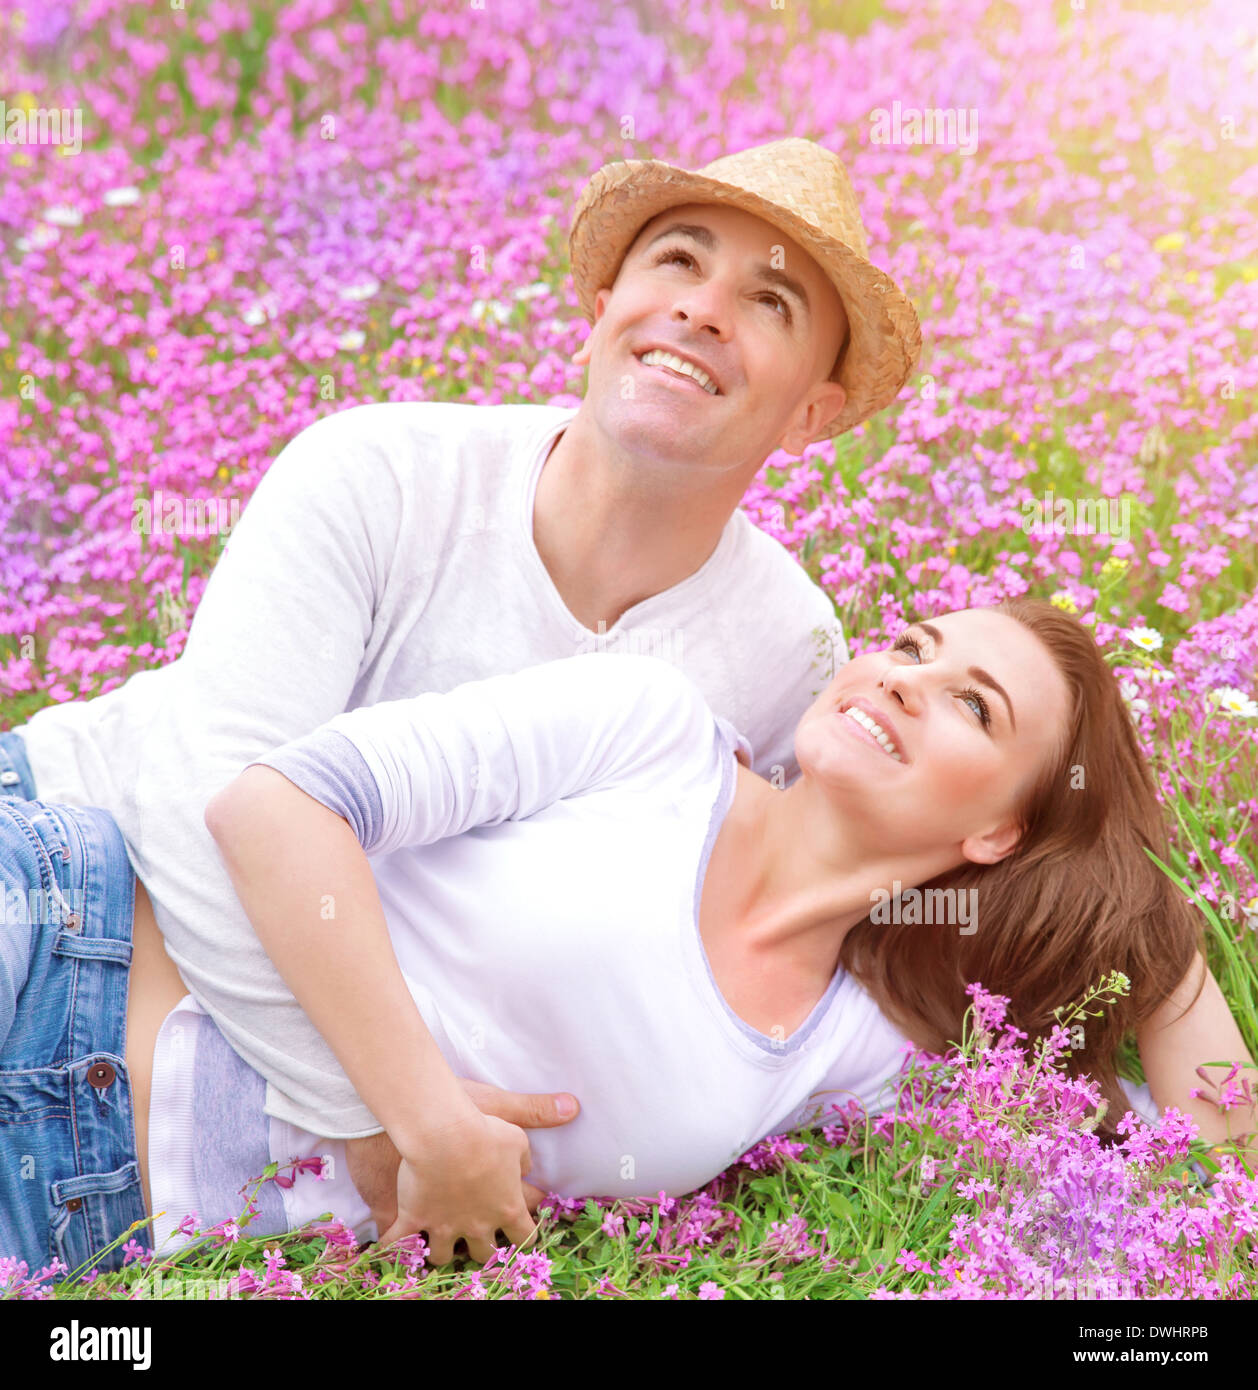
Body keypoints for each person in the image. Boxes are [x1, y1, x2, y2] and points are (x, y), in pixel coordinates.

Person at [6, 137, 922, 1163]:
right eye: (678, 261)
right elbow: (203, 799)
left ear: (811, 413)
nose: (702, 309)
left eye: (770, 303)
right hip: (67, 851)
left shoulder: (785, 652)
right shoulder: (380, 471)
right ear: (598, 313)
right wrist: (380, 1113)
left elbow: (755, 940)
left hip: (165, 1098)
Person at [2, 601, 1253, 1280]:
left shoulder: (864, 1049)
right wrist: (425, 1120)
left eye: (970, 704)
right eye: (914, 646)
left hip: (86, 1215)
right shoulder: (649, 728)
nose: (903, 678)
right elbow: (274, 805)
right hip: (60, 941)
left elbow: (1216, 1157)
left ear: (996, 831)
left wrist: (1154, 918)